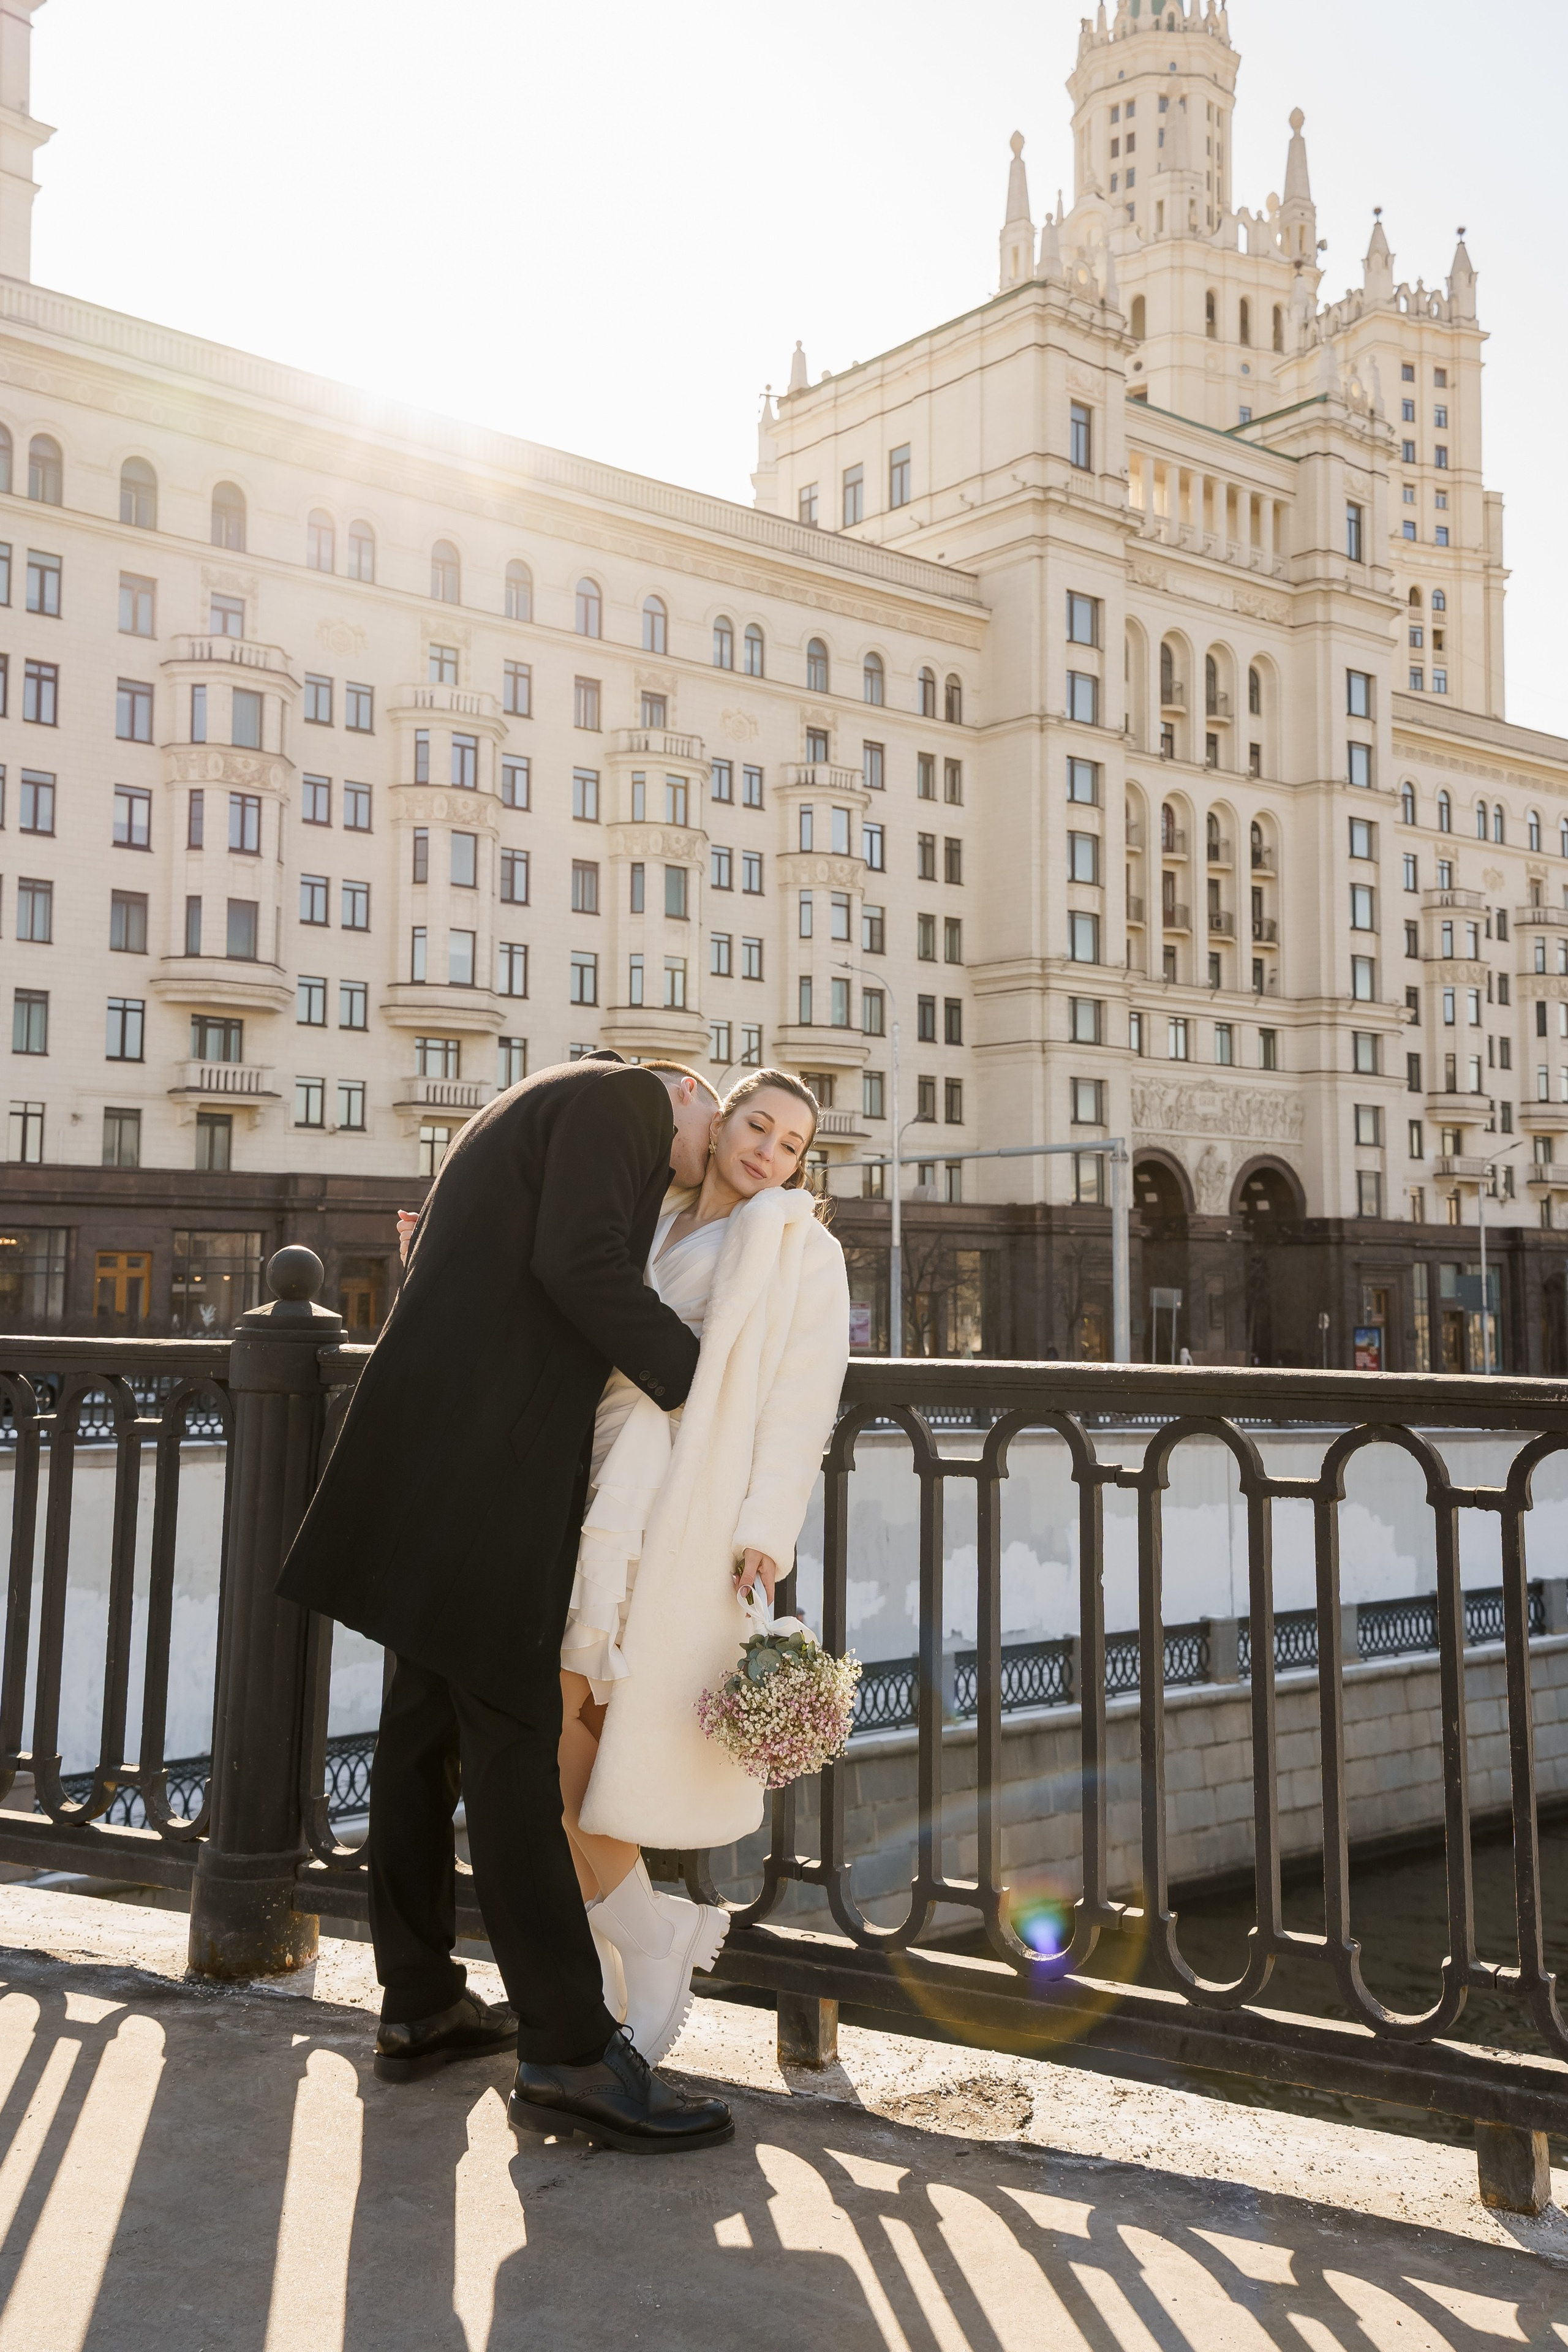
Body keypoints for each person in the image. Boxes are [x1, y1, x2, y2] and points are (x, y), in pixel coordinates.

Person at [277, 1050, 736, 2155]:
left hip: (431, 1446)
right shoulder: (628, 1098)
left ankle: (421, 2002)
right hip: (493, 1466)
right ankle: (570, 2051)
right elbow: (579, 1263)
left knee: (420, 1729)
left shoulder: (531, 1102)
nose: (700, 1165)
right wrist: (706, 1387)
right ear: (685, 1089)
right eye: (710, 1137)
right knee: (513, 1742)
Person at [519, 1069, 850, 2102]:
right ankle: (643, 1935)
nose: (768, 1151)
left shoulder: (800, 1247)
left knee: (571, 1711)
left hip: (681, 1499)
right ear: (718, 1125)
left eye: (791, 1145)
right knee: (558, 1721)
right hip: (589, 1472)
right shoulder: (651, 1212)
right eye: (757, 1125)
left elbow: (804, 1398)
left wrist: (765, 1531)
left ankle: (646, 1939)